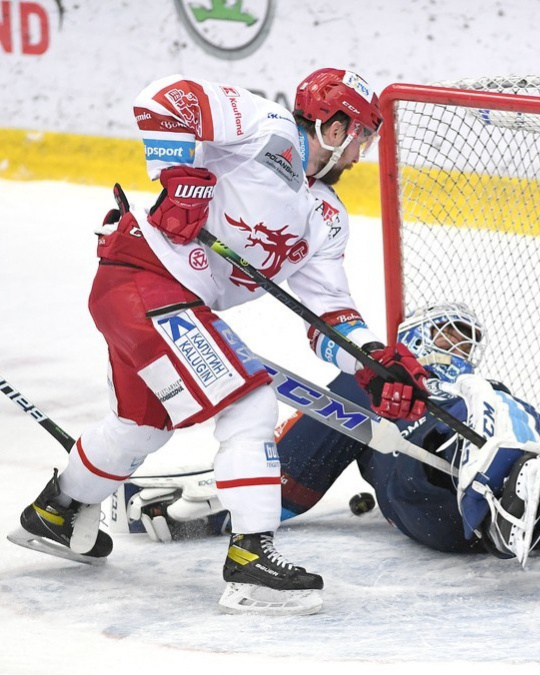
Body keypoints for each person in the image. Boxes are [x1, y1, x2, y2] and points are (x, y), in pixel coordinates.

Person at [6, 69, 429, 616]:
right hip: (144, 277)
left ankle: (57, 513)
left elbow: (330, 313)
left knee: (140, 425)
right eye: (363, 138)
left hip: (158, 297)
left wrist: (371, 358)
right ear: (337, 125)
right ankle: (252, 561)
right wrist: (178, 173)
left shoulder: (327, 217)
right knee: (250, 400)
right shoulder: (267, 128)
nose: (361, 156)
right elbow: (164, 99)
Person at [109, 303, 540, 579]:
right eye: (446, 336)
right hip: (431, 499)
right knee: (363, 394)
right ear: (413, 339)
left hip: (501, 509)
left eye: (467, 341)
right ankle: (501, 478)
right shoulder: (378, 387)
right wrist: (220, 502)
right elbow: (298, 473)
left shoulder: (491, 389)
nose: (460, 348)